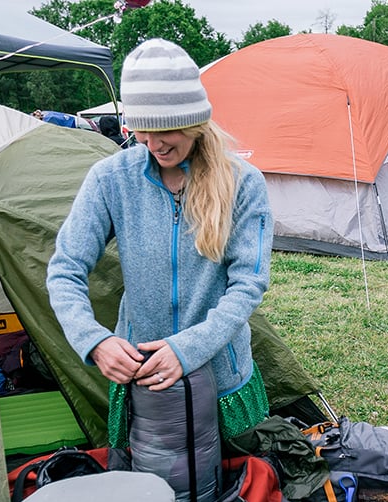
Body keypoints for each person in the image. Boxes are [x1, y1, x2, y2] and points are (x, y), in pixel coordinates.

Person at [46, 38, 274, 449]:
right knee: (152, 497)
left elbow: (248, 284)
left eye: (166, 128)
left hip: (222, 378)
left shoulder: (243, 183)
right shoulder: (111, 179)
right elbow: (65, 269)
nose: (154, 143)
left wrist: (188, 349)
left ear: (195, 120)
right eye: (142, 129)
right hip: (143, 379)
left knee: (233, 497)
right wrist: (93, 340)